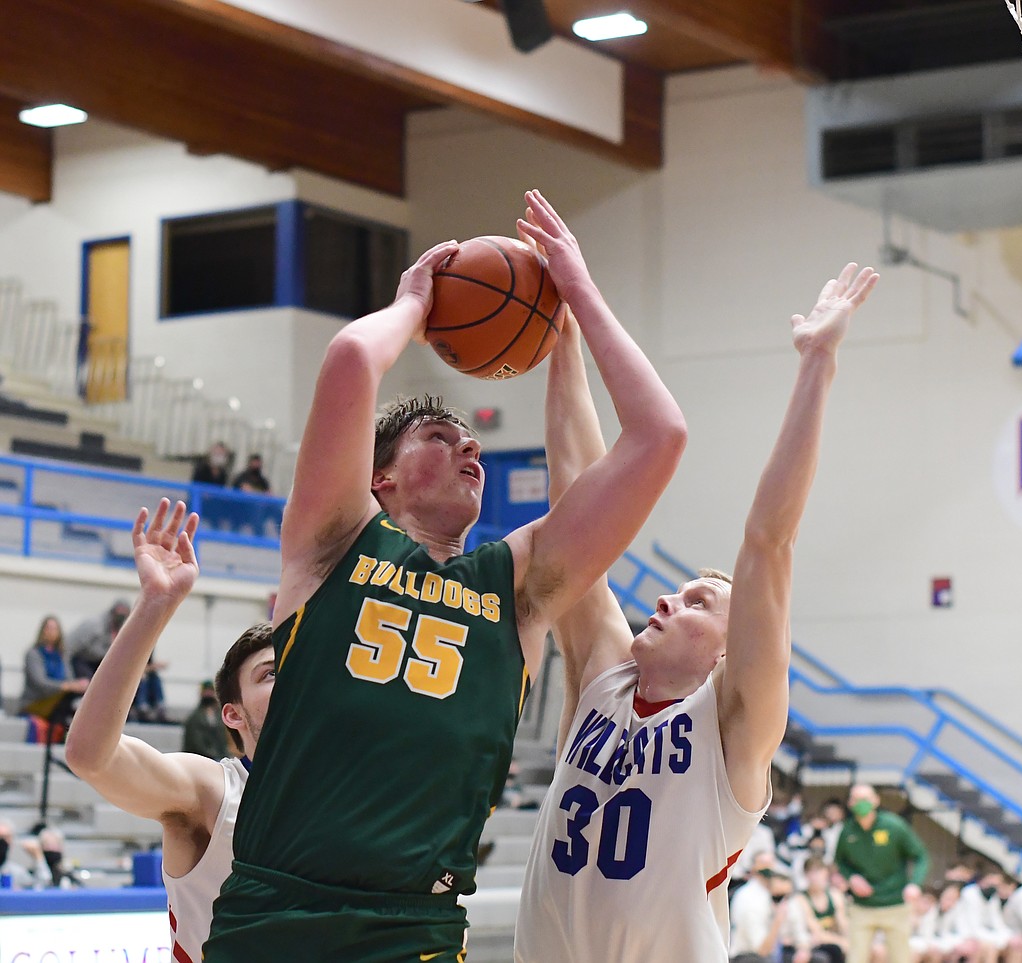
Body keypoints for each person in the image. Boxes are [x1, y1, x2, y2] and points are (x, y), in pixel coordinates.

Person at [203, 189, 687, 962]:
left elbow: (660, 435)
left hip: (414, 931)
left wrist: (575, 307)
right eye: (438, 435)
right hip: (276, 913)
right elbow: (353, 357)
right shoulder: (333, 543)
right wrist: (413, 303)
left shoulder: (518, 588)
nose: (470, 450)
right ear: (380, 479)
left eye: (475, 445)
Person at [515, 262, 880, 962]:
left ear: (725, 650)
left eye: (695, 602)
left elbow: (769, 541)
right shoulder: (603, 677)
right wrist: (563, 332)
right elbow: (576, 497)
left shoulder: (732, 728)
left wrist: (818, 363)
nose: (664, 598)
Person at [64, 498, 275, 963]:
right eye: (270, 674)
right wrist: (155, 605)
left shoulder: (343, 791)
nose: (291, 681)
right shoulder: (211, 791)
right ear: (232, 715)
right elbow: (90, 755)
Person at [834, 784, 930, 963]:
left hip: (895, 904)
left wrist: (915, 883)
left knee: (900, 958)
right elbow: (840, 862)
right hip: (862, 906)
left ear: (876, 800)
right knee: (855, 958)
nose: (861, 803)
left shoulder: (894, 826)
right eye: (856, 799)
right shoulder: (847, 831)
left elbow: (921, 857)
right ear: (849, 803)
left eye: (866, 798)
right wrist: (851, 877)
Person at [20, 615, 88, 717]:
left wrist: (77, 685)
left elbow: (69, 678)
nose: (51, 632)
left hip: (57, 700)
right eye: (48, 628)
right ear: (42, 631)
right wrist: (65, 686)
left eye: (55, 629)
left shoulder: (62, 654)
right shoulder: (34, 654)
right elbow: (40, 683)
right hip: (38, 701)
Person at [732, 853, 792, 962]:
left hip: (768, 954)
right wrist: (778, 920)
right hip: (747, 957)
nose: (769, 868)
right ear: (754, 868)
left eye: (771, 863)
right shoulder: (749, 898)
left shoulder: (770, 894)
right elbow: (761, 950)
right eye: (764, 864)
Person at [795, 856, 851, 963]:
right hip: (813, 943)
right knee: (835, 950)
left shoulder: (835, 895)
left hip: (834, 939)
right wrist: (841, 941)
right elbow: (816, 932)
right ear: (806, 875)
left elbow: (844, 924)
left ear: (826, 873)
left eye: (819, 872)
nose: (817, 877)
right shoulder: (801, 899)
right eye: (813, 872)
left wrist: (848, 940)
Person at [67, 599, 130, 679]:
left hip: (99, 662)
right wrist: (69, 678)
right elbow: (69, 648)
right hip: (81, 660)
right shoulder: (94, 626)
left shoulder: (120, 630)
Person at [182, 680, 230, 760]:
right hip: (199, 758)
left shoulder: (219, 716)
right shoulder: (194, 718)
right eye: (206, 691)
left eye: (210, 691)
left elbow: (223, 740)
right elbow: (196, 743)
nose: (208, 694)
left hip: (219, 757)